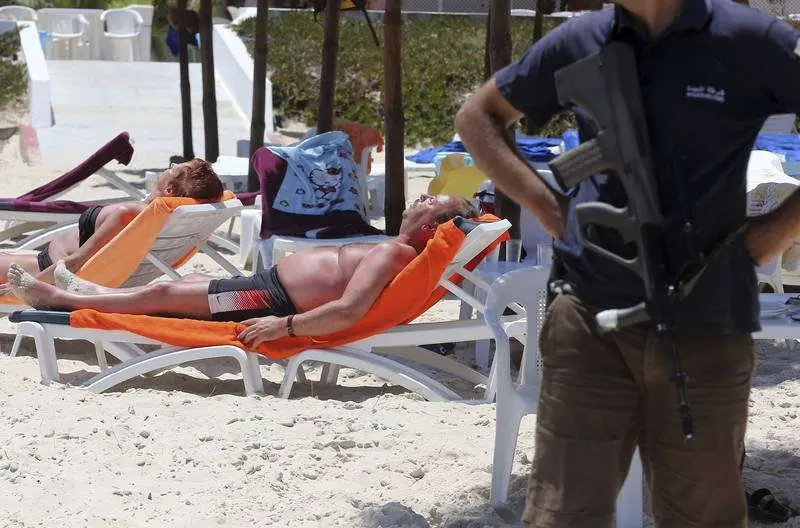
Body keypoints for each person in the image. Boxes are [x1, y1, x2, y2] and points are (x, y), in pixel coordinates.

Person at [455, 0, 800, 526]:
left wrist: (774, 233)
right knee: (562, 514)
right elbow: (478, 118)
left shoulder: (751, 39)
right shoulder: (580, 39)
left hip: (705, 316)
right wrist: (549, 209)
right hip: (589, 317)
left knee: (702, 515)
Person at [7, 195, 477, 348]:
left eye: (425, 201)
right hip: (266, 289)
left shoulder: (394, 253)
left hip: (268, 303)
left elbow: (349, 308)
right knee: (181, 287)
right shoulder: (399, 253)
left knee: (167, 297)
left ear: (431, 224)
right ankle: (86, 288)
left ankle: (64, 300)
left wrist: (285, 326)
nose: (416, 200)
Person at [0, 159, 224, 293]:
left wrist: (22, 290)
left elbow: (74, 262)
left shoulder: (127, 215)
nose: (170, 166)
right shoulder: (155, 217)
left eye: (174, 168)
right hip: (46, 262)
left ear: (169, 190)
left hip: (44, 271)